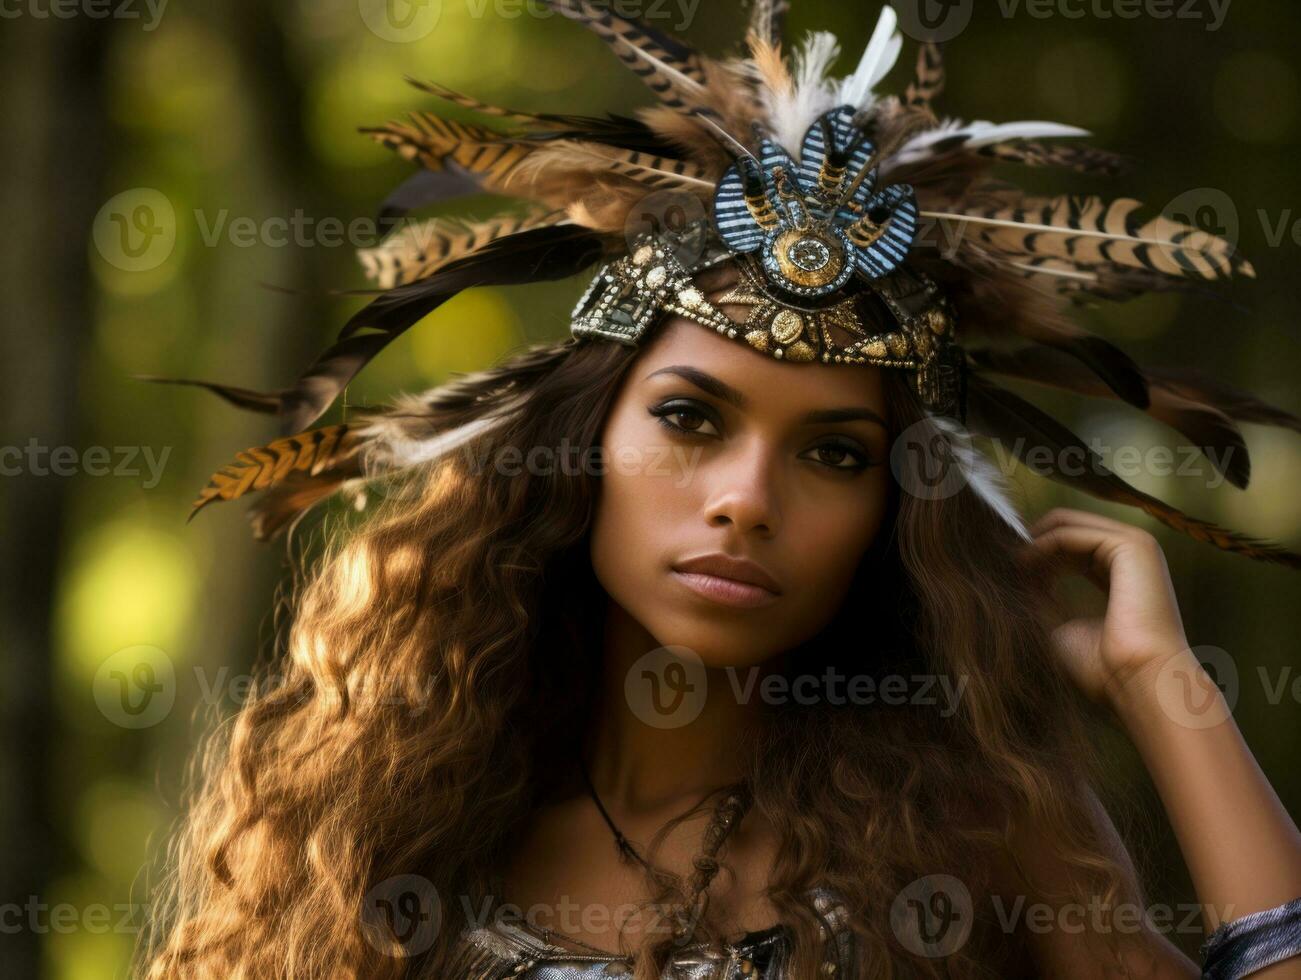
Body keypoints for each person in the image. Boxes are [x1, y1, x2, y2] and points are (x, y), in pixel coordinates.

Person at [137, 4, 1301, 977]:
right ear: (581, 440)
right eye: (690, 419)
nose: (747, 497)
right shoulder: (374, 838)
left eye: (835, 453)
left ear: (892, 515)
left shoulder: (978, 835)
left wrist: (1161, 688)